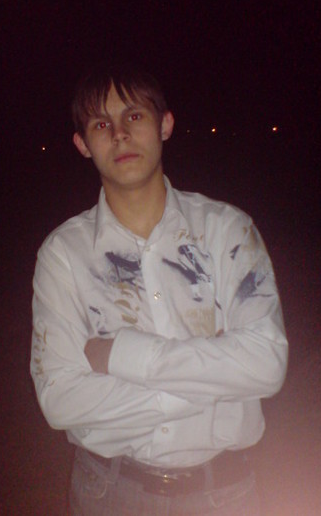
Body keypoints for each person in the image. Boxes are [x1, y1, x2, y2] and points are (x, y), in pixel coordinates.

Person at [30, 63, 288, 515]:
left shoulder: (227, 231)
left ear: (165, 125)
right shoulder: (63, 254)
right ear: (83, 144)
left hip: (225, 496)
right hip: (109, 493)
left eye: (134, 116)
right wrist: (215, 380)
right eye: (100, 124)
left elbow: (266, 363)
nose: (119, 134)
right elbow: (60, 399)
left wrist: (121, 357)